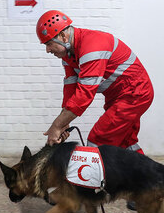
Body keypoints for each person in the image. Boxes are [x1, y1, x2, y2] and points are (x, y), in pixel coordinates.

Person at [37, 10, 154, 156]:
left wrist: (57, 125)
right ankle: (144, 177)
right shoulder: (69, 56)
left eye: (49, 44)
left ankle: (98, 179)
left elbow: (84, 95)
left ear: (63, 36)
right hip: (119, 96)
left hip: (135, 93)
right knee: (126, 143)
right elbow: (70, 90)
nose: (47, 50)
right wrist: (64, 123)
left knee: (98, 140)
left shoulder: (92, 46)